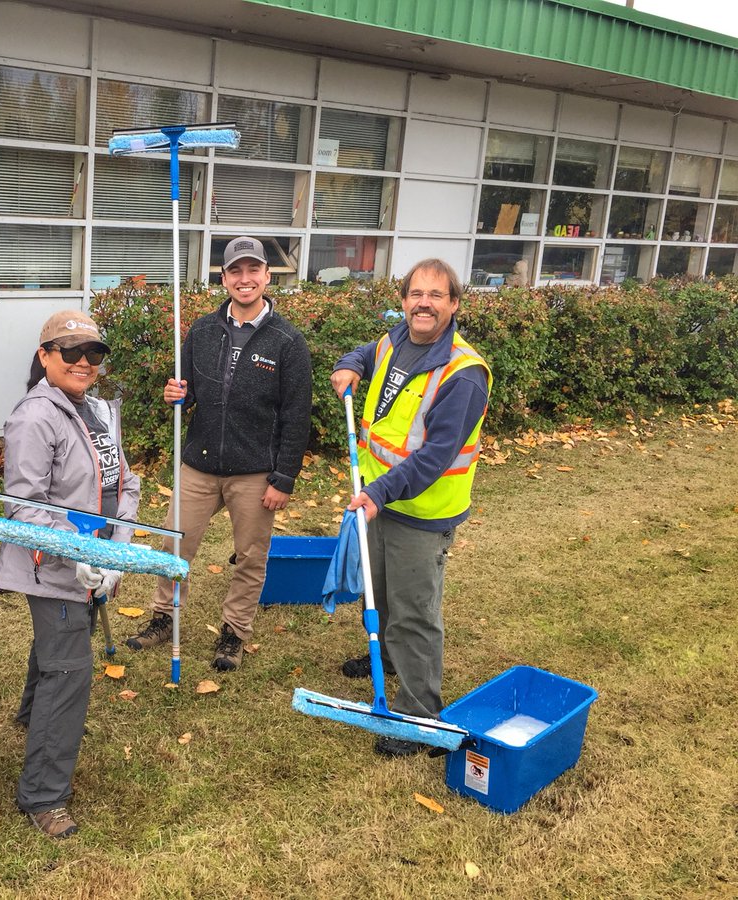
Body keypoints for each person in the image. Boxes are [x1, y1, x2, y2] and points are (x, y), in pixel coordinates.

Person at [125, 237, 313, 671]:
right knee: (174, 546)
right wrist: (174, 394)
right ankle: (162, 618)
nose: (244, 279)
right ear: (224, 278)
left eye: (253, 271)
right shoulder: (202, 331)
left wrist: (283, 478)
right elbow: (185, 392)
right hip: (200, 464)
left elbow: (296, 416)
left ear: (267, 276)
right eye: (235, 271)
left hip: (255, 472)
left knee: (250, 556)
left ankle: (234, 633)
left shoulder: (288, 341)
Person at [330, 258, 492, 758]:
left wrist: (377, 495)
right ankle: (389, 656)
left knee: (415, 611)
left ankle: (420, 715)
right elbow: (366, 350)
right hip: (377, 498)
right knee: (378, 590)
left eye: (436, 295)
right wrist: (351, 364)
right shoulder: (394, 340)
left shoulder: (463, 375)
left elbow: (434, 458)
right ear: (403, 301)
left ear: (454, 304)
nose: (424, 303)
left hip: (421, 511)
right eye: (415, 294)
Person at [0, 310, 140, 840]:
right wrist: (79, 553)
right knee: (70, 670)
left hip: (94, 562)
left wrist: (116, 552)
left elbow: (126, 485)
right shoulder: (36, 417)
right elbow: (23, 508)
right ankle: (43, 795)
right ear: (45, 356)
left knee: (58, 646)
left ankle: (32, 716)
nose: (83, 362)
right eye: (69, 351)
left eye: (93, 353)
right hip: (51, 567)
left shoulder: (96, 410)